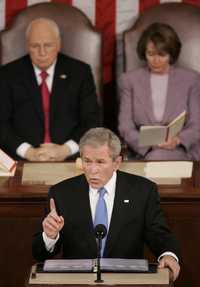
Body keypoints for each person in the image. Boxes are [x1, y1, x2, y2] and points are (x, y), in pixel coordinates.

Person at [32, 127, 180, 282]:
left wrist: (168, 255)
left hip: (126, 282)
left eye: (100, 162)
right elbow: (39, 254)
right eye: (87, 161)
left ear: (117, 162)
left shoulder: (142, 191)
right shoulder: (61, 193)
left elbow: (159, 233)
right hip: (78, 283)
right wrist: (50, 236)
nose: (92, 170)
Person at [0, 18, 100, 161]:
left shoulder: (80, 72)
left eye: (48, 45)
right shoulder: (7, 75)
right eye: (35, 46)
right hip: (22, 159)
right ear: (27, 46)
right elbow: (2, 123)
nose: (42, 52)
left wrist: (66, 150)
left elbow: (91, 120)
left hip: (71, 158)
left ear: (59, 45)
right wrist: (28, 152)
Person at [118, 22, 200, 160]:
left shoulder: (191, 79)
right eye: (150, 54)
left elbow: (197, 124)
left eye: (161, 54)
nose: (155, 60)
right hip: (142, 152)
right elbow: (125, 126)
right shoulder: (129, 80)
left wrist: (177, 140)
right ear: (144, 52)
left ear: (171, 54)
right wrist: (148, 145)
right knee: (157, 156)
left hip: (183, 150)